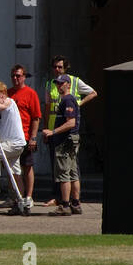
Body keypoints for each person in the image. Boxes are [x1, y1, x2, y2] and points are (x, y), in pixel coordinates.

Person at [41, 56, 96, 207]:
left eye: (60, 67)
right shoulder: (50, 84)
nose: (57, 70)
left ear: (65, 69)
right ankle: (64, 199)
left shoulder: (74, 83)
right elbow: (47, 107)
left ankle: (68, 201)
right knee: (59, 168)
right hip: (54, 128)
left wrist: (79, 103)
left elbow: (93, 93)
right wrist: (46, 128)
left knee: (68, 169)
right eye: (55, 67)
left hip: (65, 131)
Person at [0, 81, 27, 213]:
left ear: (3, 94)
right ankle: (20, 202)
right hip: (12, 143)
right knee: (15, 174)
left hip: (14, 143)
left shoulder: (9, 102)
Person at [42, 74, 82, 215]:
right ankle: (75, 204)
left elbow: (71, 122)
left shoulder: (68, 100)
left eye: (62, 83)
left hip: (65, 141)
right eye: (57, 83)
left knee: (64, 173)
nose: (59, 86)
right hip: (71, 139)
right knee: (72, 173)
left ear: (68, 84)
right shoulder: (67, 100)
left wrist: (53, 132)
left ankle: (65, 205)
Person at [6, 64, 42, 210]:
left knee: (27, 166)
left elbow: (36, 117)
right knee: (12, 168)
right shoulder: (8, 93)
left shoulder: (30, 93)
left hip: (25, 135)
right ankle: (15, 196)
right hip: (11, 137)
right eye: (13, 76)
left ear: (24, 77)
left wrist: (33, 137)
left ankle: (29, 196)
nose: (15, 78)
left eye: (18, 76)